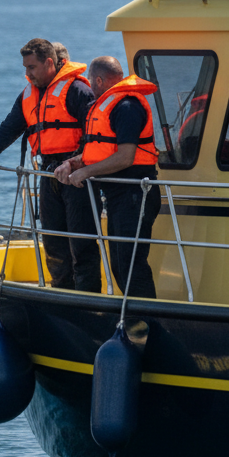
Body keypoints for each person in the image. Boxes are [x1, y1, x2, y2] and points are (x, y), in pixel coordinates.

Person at [0, 37, 99, 291]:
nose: (27, 74)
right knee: (54, 244)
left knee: (82, 244)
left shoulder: (78, 90)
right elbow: (6, 131)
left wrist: (76, 163)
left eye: (31, 67)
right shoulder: (28, 95)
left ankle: (90, 304)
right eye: (25, 68)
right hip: (48, 174)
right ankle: (62, 296)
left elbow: (96, 135)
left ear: (48, 63)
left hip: (79, 176)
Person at [55, 56, 161, 299]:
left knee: (129, 266)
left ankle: (150, 324)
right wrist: (72, 163)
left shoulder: (126, 107)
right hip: (119, 196)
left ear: (99, 80)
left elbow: (125, 157)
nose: (91, 86)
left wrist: (85, 172)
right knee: (121, 265)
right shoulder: (111, 105)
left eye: (92, 81)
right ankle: (137, 322)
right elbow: (100, 150)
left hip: (135, 195)